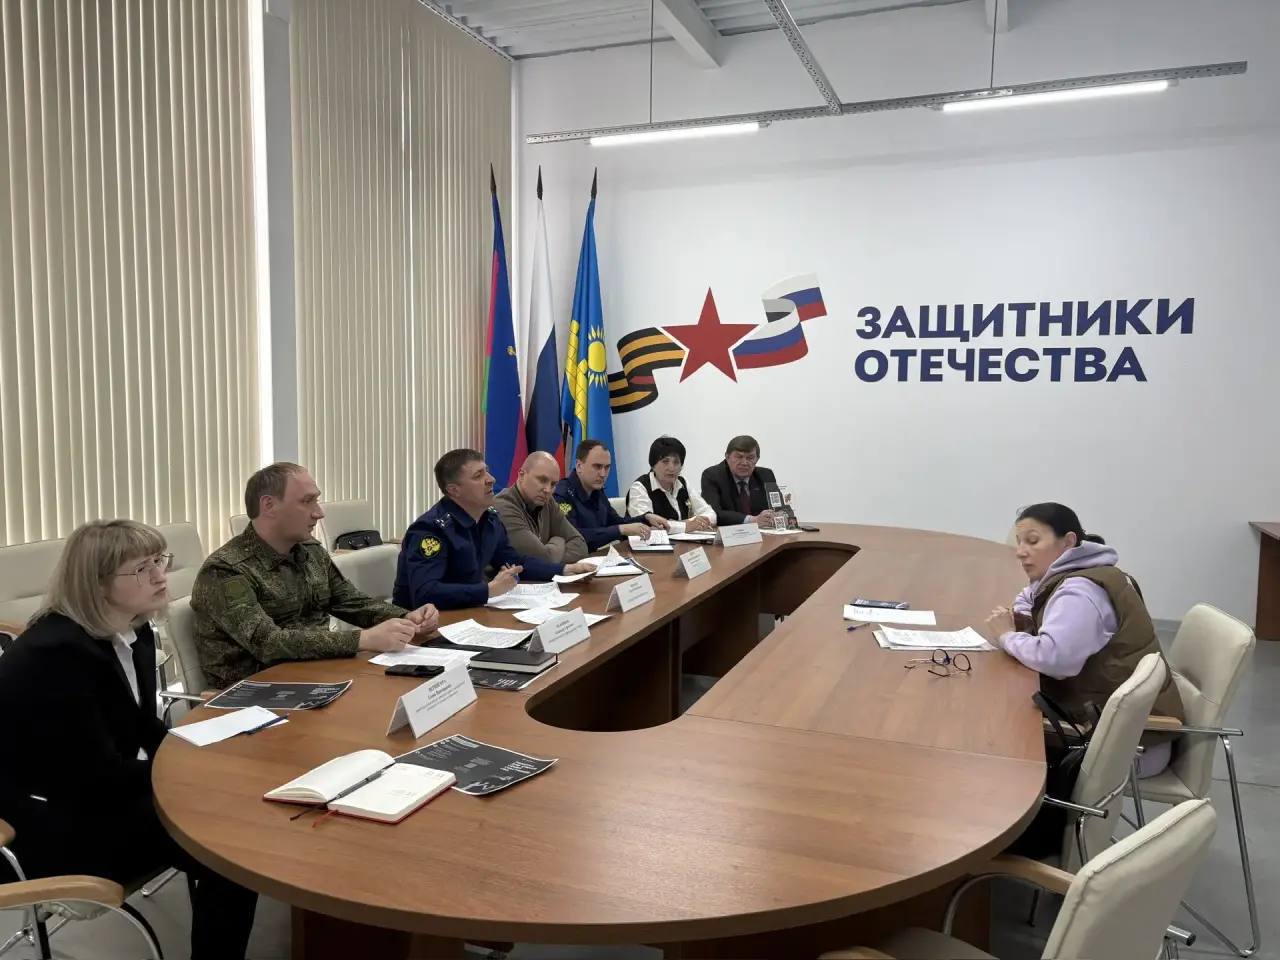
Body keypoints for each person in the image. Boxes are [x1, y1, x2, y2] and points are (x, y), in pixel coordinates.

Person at [0, 520, 259, 959]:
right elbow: (94, 776)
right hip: (49, 825)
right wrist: (192, 774)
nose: (161, 575)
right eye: (142, 568)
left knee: (231, 813)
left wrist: (200, 757)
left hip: (98, 793)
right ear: (97, 583)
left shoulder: (133, 633)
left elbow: (140, 727)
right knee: (232, 852)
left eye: (159, 560)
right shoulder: (56, 655)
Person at [192, 462, 438, 690]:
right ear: (269, 506)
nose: (319, 513)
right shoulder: (226, 570)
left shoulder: (310, 551)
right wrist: (362, 639)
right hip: (258, 692)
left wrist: (405, 617)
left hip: (317, 673)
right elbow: (268, 643)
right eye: (307, 501)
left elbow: (349, 601)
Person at [985, 502, 1184, 775]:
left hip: (1127, 747)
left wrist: (1007, 636)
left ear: (1068, 541)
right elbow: (1029, 596)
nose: (1020, 551)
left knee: (994, 734)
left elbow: (1056, 660)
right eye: (1019, 542)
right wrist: (1023, 617)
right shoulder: (1079, 571)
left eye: (1032, 541)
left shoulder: (1080, 592)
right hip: (1108, 724)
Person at [395, 449, 596, 610]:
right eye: (478, 476)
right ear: (454, 490)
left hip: (469, 612)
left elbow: (515, 561)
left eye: (487, 471)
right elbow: (425, 593)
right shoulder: (430, 530)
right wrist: (488, 590)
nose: (491, 479)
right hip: (421, 627)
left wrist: (564, 569)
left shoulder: (489, 519)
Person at [554, 439, 658, 551]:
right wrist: (621, 530)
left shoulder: (597, 490)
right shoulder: (561, 495)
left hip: (595, 557)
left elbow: (616, 522)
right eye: (597, 467)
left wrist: (646, 518)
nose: (603, 474)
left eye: (607, 467)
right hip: (573, 560)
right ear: (579, 466)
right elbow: (574, 537)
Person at [494, 451, 589, 564]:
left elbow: (580, 545)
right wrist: (558, 541)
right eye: (542, 480)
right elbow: (540, 559)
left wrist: (549, 555)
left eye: (553, 484)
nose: (548, 490)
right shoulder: (503, 506)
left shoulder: (547, 502)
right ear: (521, 475)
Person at [625, 436, 716, 532]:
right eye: (665, 461)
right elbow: (648, 526)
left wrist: (698, 522)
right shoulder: (639, 488)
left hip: (682, 540)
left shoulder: (683, 483)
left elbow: (711, 514)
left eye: (676, 462)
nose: (671, 468)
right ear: (653, 465)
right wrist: (686, 525)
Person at [700, 435, 780, 527]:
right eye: (739, 457)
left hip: (763, 532)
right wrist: (752, 520)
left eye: (750, 458)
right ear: (727, 457)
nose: (744, 463)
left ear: (757, 459)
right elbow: (713, 513)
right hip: (728, 533)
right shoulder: (713, 475)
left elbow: (779, 508)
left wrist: (779, 516)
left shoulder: (766, 475)